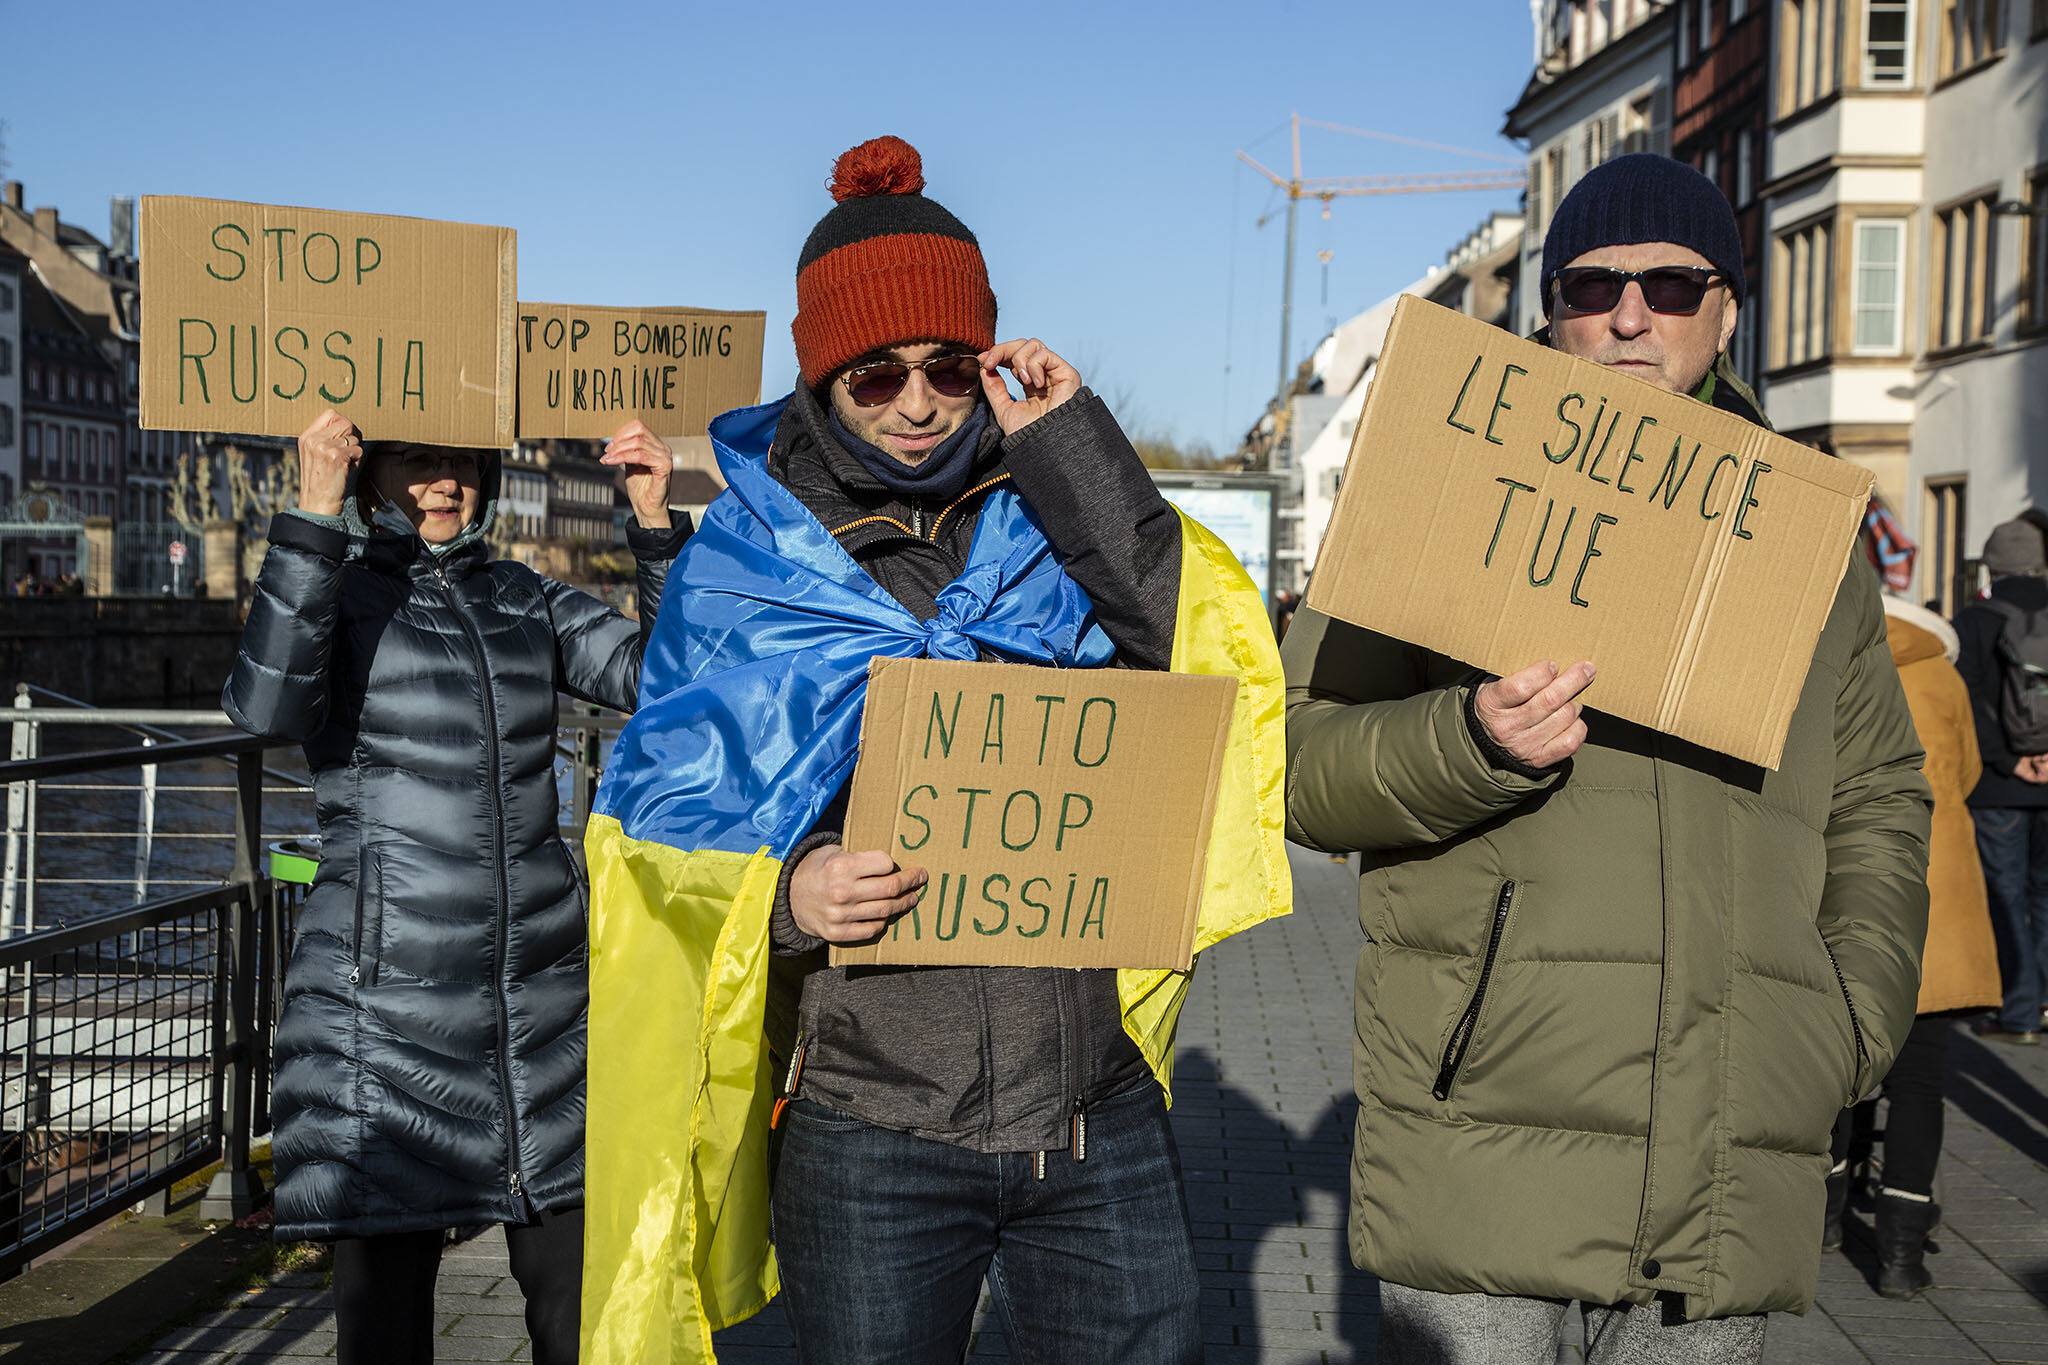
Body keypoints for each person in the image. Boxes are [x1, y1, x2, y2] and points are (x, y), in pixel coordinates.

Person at [578, 136, 1287, 1365]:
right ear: (820, 378)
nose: (917, 402)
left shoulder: (1053, 523)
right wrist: (792, 892)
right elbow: (653, 829)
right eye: (875, 374)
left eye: (950, 367)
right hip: (868, 1129)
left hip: (1092, 1112)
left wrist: (1073, 446)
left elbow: (1198, 644)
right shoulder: (742, 574)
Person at [1282, 154, 1931, 1363]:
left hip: (1732, 1137)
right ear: (1549, 311)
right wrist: (1465, 740)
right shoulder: (1445, 481)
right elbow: (1293, 764)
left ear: (1727, 308)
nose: (1630, 315)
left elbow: (1880, 790)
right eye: (1591, 286)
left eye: (1672, 287)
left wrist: (1850, 1018)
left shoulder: (1807, 532)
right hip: (1479, 1139)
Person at [222, 409, 686, 1365]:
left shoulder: (527, 598)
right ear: (368, 470)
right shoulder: (337, 597)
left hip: (543, 1025)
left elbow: (671, 681)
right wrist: (311, 514)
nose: (442, 482)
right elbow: (265, 708)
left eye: (461, 463)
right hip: (380, 1029)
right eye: (416, 461)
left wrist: (654, 527)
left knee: (586, 1319)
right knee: (386, 1336)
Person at [1824, 596, 2000, 1297]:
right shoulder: (1942, 674)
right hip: (1938, 886)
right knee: (1921, 1077)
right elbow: (1968, 773)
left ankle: (1822, 1218)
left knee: (1836, 1060)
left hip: (1849, 879)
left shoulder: (1836, 662)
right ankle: (1901, 1251)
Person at [1956, 517, 2048, 1043]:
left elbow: (1963, 701)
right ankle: (2042, 1000)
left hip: (1999, 785)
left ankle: (2018, 1015)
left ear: (1992, 563)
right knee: (2045, 895)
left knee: (2006, 896)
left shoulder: (1974, 621)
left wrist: (2008, 761)